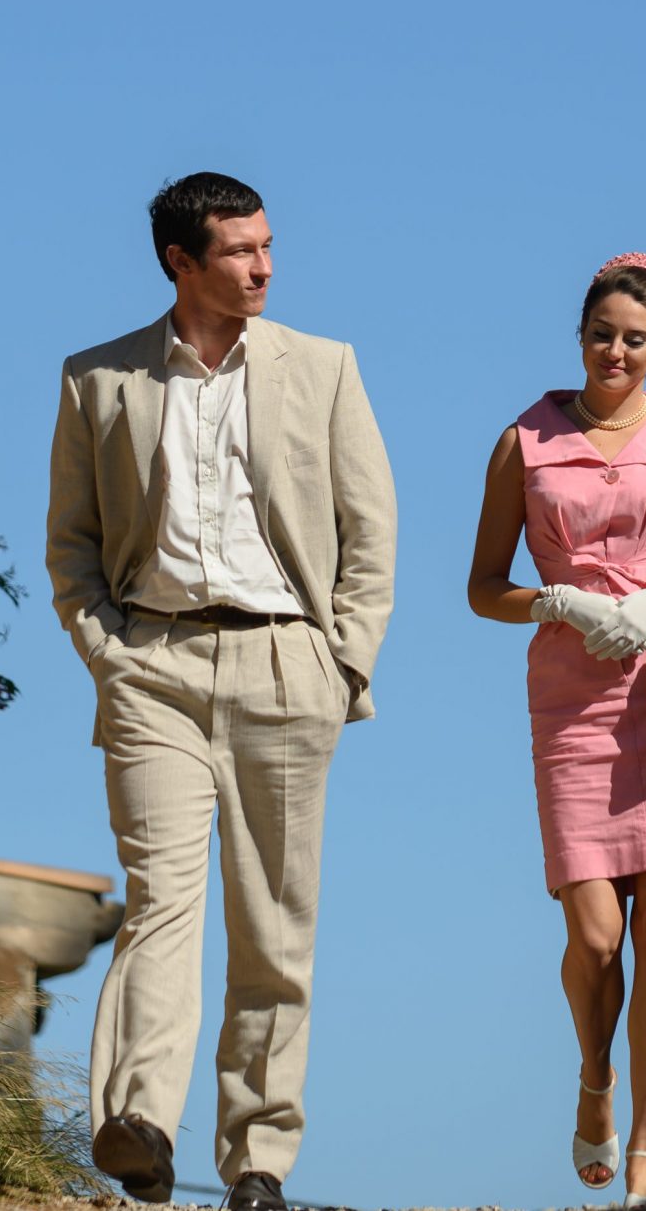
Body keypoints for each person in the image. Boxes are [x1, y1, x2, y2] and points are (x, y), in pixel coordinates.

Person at [47, 171, 396, 1211]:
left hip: (286, 665)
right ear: (179, 263)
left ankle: (256, 1162)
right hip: (149, 666)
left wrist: (341, 664)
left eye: (267, 245)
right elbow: (71, 545)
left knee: (272, 927)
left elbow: (369, 533)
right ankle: (139, 1121)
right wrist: (108, 652)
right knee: (159, 900)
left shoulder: (322, 368)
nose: (265, 266)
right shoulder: (97, 379)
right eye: (241, 251)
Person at [465, 252, 646, 1210]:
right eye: (603, 335)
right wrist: (556, 599)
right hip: (571, 698)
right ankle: (594, 1080)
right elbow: (482, 587)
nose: (616, 352)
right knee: (596, 936)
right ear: (580, 334)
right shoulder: (526, 438)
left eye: (636, 339)